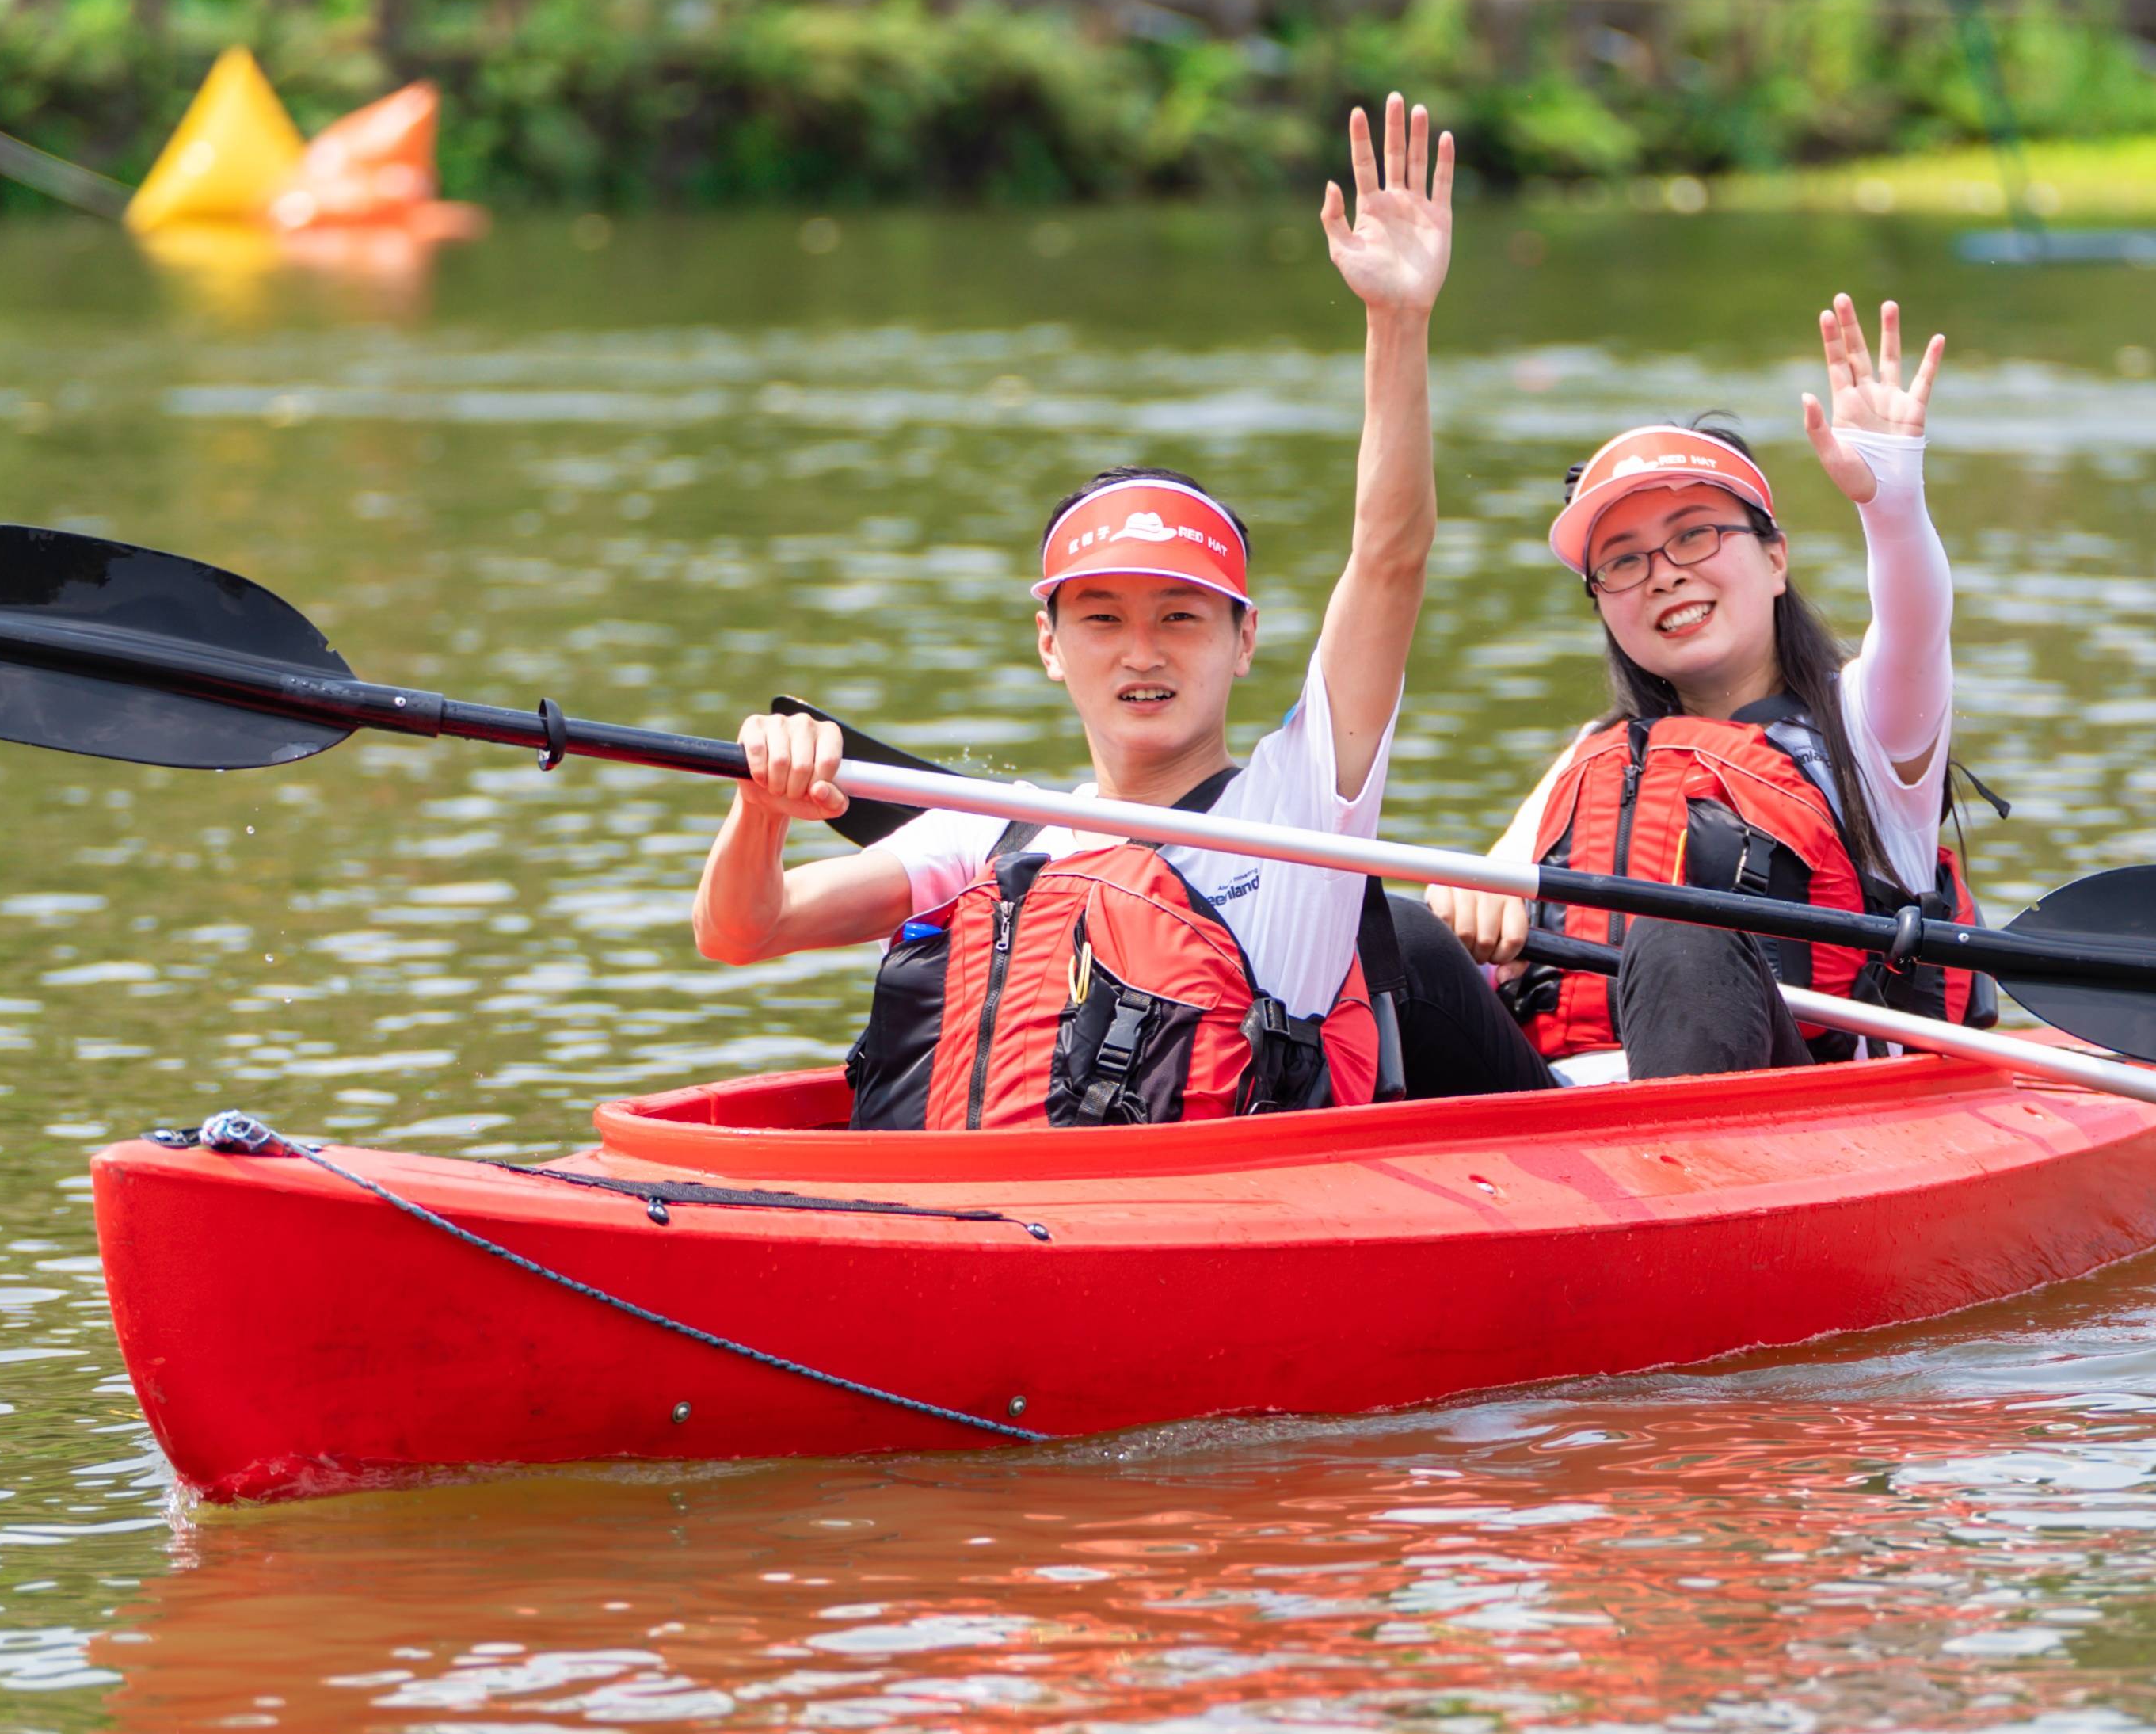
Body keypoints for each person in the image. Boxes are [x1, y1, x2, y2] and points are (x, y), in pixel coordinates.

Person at [692, 95, 1454, 1128]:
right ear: (1050, 646)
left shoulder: (1299, 821)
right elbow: (745, 931)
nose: (1143, 652)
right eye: (1102, 619)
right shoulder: (988, 839)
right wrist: (762, 809)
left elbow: (1390, 556)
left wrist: (1397, 323)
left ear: (1246, 643)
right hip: (988, 1217)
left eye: (1182, 618)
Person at [1401, 295, 1979, 1091]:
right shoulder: (1593, 756)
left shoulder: (1870, 728)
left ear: (1776, 560)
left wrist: (1891, 502)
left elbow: (1917, 622)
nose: (1664, 571)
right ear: (1603, 602)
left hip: (1776, 1116)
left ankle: (1676, 1188)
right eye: (1624, 560)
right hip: (1550, 1109)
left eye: (1695, 534)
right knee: (1396, 933)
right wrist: (1464, 898)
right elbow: (1491, 887)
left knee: (1683, 930)